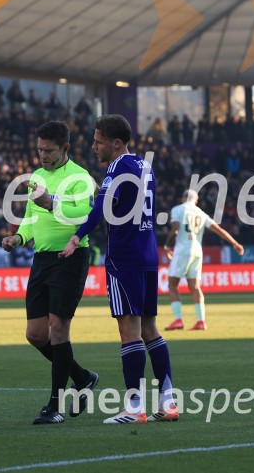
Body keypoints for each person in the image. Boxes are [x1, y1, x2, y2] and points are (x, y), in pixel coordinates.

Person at [60, 114, 178, 425]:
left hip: (124, 258)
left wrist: (76, 235)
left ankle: (134, 407)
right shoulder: (144, 165)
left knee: (129, 332)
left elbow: (101, 208)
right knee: (150, 329)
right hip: (148, 256)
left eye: (98, 142)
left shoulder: (117, 166)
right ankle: (168, 402)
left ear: (115, 143)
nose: (94, 147)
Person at [1, 120, 99, 425]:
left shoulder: (81, 177)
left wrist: (51, 201)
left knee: (58, 328)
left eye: (48, 150)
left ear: (65, 148)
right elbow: (31, 218)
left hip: (71, 257)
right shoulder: (38, 176)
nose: (42, 155)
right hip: (42, 259)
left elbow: (82, 216)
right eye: (39, 149)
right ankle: (82, 377)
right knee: (35, 334)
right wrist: (18, 237)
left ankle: (54, 405)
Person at [163, 189, 244, 331]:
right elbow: (218, 229)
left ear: (183, 198)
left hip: (182, 250)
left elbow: (175, 229)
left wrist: (167, 244)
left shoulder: (178, 209)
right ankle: (201, 321)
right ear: (196, 200)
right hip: (197, 251)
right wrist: (235, 243)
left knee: (172, 284)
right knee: (195, 286)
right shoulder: (201, 213)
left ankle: (178, 320)